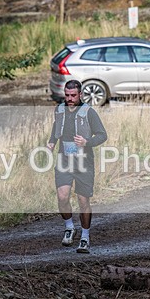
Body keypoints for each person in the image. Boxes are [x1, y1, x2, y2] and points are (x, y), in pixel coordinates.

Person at [47, 80, 108, 254]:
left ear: (80, 94)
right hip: (64, 160)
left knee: (83, 201)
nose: (70, 98)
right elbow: (55, 127)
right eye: (67, 95)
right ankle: (69, 227)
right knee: (62, 196)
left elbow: (102, 135)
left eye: (73, 95)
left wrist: (87, 142)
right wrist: (52, 142)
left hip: (84, 162)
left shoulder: (89, 112)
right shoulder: (59, 109)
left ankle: (85, 237)